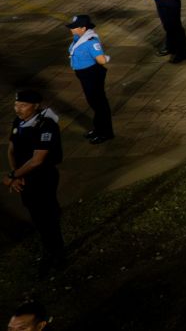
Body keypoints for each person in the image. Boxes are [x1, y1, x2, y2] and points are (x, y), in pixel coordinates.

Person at [7, 89, 64, 266]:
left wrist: (13, 175)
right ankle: (50, 250)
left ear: (36, 106)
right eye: (16, 105)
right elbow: (11, 149)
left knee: (47, 217)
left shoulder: (46, 126)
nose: (18, 109)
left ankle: (57, 254)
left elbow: (37, 160)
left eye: (23, 105)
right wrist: (16, 176)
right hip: (25, 178)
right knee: (36, 215)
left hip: (43, 177)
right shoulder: (19, 122)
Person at [66, 14, 113, 144]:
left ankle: (106, 133)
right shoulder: (79, 37)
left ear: (83, 28)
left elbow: (102, 60)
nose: (72, 29)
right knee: (94, 103)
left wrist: (106, 57)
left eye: (75, 27)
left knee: (99, 104)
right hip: (85, 75)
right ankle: (98, 128)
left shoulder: (91, 42)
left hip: (92, 75)